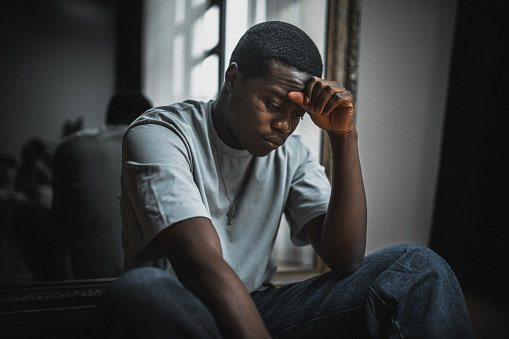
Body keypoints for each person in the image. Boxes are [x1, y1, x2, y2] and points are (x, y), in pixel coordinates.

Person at [99, 21, 473, 338]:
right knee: (140, 289)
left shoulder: (292, 154)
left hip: (260, 308)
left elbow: (345, 259)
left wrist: (344, 137)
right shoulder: (160, 133)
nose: (284, 126)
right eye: (274, 105)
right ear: (233, 78)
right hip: (180, 308)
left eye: (297, 115)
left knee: (417, 267)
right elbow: (200, 263)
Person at [52, 90, 152, 279]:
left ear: (108, 118)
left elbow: (59, 226)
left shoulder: (70, 146)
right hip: (151, 281)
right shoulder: (154, 146)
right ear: (148, 119)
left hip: (87, 281)